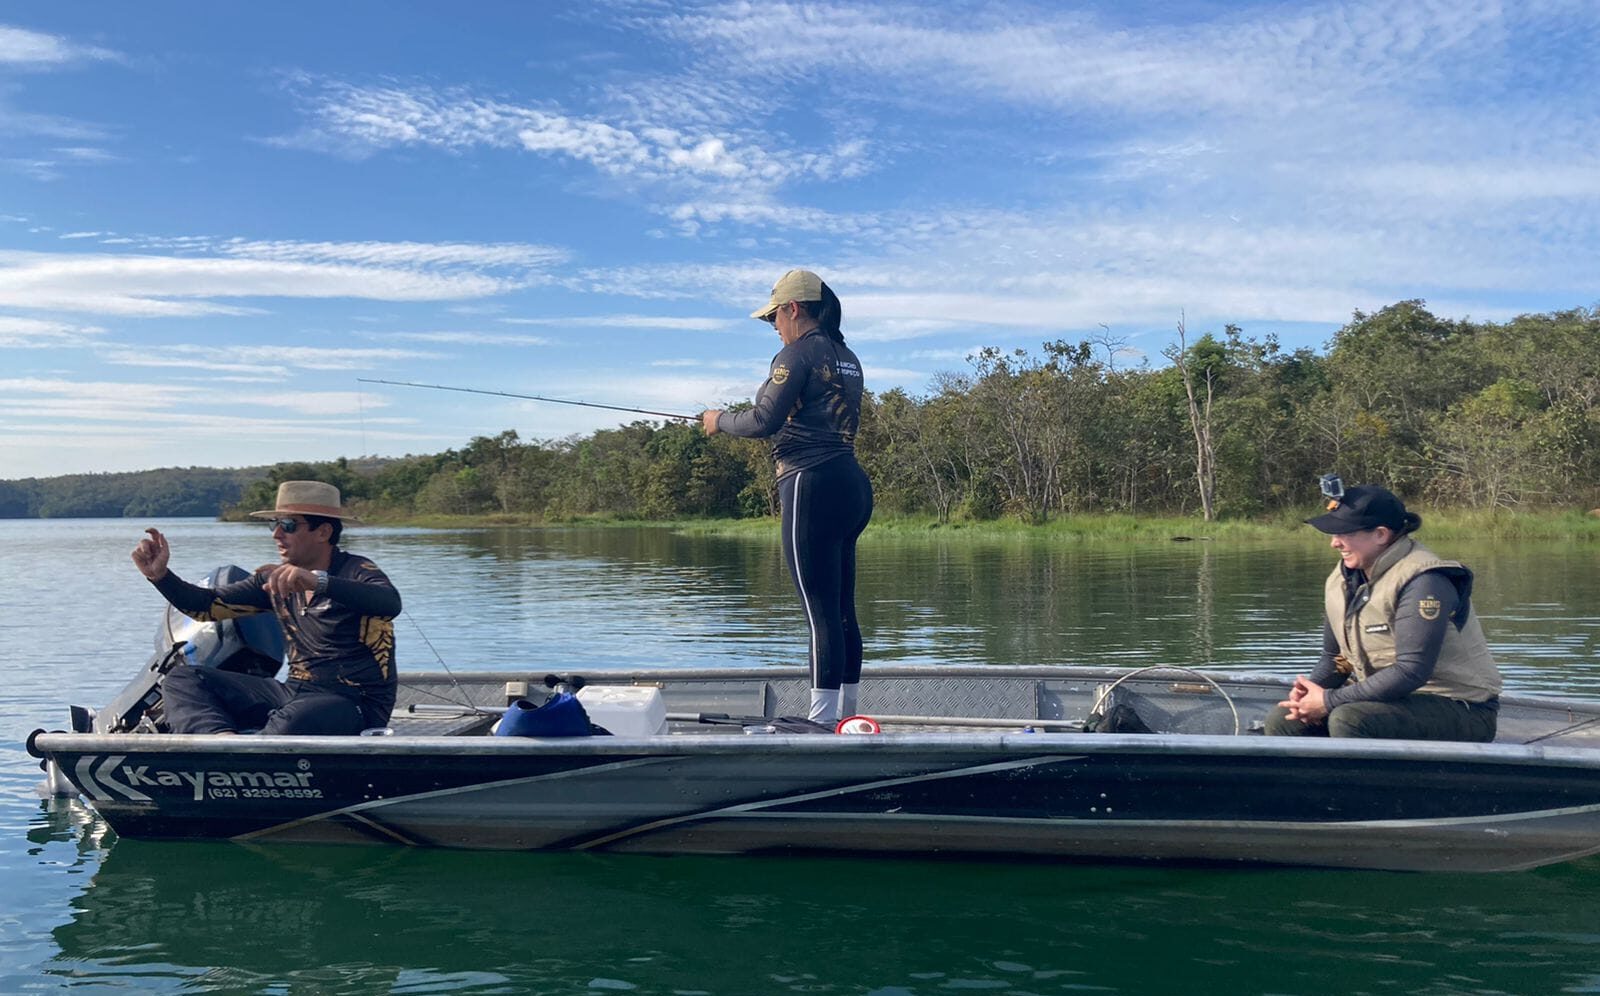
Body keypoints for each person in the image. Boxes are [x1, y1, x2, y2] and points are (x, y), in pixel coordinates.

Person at [701, 269, 873, 727]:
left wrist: (719, 420)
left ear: (794, 309)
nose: (774, 325)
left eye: (775, 315)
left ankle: (822, 723)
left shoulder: (795, 354)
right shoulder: (847, 356)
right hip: (852, 483)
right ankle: (849, 717)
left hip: (809, 483)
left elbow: (763, 420)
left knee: (819, 612)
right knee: (841, 609)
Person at [131, 480, 402, 735]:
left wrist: (318, 581)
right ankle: (222, 747)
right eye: (274, 524)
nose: (276, 534)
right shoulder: (273, 580)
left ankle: (257, 752)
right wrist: (161, 576)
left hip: (354, 703)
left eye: (288, 525)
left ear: (323, 532)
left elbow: (389, 603)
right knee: (183, 679)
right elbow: (205, 607)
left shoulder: (357, 570)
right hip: (293, 692)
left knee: (295, 720)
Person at [1266, 480, 1501, 741]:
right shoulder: (1343, 579)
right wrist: (1310, 692)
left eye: (1344, 533)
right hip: (1389, 701)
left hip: (1462, 708)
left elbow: (1411, 670)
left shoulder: (1424, 581)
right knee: (1285, 720)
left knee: (1350, 719)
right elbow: (1337, 659)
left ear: (1381, 534)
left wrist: (1330, 700)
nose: (1335, 543)